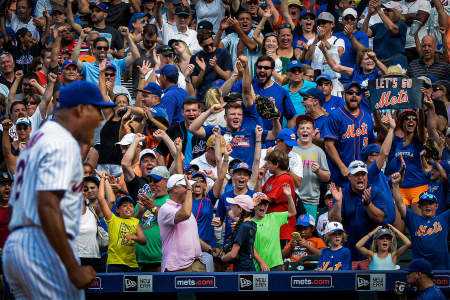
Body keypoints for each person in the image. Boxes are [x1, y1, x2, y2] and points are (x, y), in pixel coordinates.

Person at [2, 80, 114, 298]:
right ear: (81, 109)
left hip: (18, 244)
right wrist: (72, 266)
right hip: (44, 247)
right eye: (98, 110)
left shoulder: (39, 138)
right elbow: (48, 205)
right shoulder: (62, 143)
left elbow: (15, 207)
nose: (101, 119)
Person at [329, 160, 389, 270]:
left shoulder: (376, 192)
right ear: (349, 177)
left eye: (363, 174)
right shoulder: (342, 193)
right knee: (347, 286)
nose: (360, 178)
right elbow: (334, 222)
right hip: (348, 254)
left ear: (367, 176)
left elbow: (380, 218)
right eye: (356, 175)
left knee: (371, 287)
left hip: (371, 254)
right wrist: (338, 203)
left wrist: (368, 204)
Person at [392, 176, 450, 270]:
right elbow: (399, 203)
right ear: (419, 207)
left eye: (430, 203)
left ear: (436, 206)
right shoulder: (413, 219)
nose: (427, 206)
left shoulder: (444, 217)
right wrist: (395, 185)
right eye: (424, 204)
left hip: (441, 267)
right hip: (420, 270)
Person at [323, 82, 375, 186]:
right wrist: (342, 166)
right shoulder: (335, 116)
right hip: (341, 176)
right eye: (350, 92)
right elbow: (328, 145)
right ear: (344, 95)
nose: (354, 95)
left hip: (362, 175)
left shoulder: (367, 117)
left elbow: (370, 145)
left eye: (358, 93)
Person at [158, 174, 206, 272]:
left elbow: (193, 236)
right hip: (178, 267)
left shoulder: (184, 208)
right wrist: (189, 190)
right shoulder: (165, 208)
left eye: (190, 187)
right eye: (186, 187)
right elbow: (185, 214)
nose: (190, 189)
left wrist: (209, 249)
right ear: (175, 188)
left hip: (197, 263)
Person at [98, 185, 146, 272]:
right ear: (117, 209)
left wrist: (133, 237)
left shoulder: (135, 221)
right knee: (113, 286)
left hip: (132, 264)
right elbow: (101, 199)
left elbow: (143, 240)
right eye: (124, 205)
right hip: (115, 263)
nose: (128, 208)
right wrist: (102, 179)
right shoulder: (112, 219)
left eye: (131, 206)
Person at [133, 166, 170, 272]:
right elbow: (131, 225)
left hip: (162, 260)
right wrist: (140, 212)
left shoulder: (172, 200)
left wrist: (151, 208)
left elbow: (169, 222)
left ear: (167, 181)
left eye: (156, 181)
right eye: (150, 180)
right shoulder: (145, 198)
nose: (151, 184)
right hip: (139, 260)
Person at [293, 115, 330, 218]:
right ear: (297, 132)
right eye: (302, 128)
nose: (305, 130)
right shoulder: (291, 149)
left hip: (310, 200)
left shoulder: (319, 152)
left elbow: (327, 177)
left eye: (308, 128)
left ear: (313, 132)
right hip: (292, 198)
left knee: (307, 231)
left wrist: (318, 171)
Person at [252, 187, 296, 271]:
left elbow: (292, 212)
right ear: (254, 205)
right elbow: (251, 247)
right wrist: (261, 263)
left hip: (276, 265)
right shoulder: (249, 223)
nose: (263, 206)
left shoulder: (274, 217)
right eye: (259, 204)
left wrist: (289, 196)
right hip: (258, 266)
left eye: (265, 204)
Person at [219, 194, 267, 271]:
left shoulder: (243, 227)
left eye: (234, 205)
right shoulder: (251, 223)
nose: (231, 207)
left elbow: (233, 254)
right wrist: (251, 205)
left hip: (242, 270)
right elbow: (231, 213)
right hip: (248, 267)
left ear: (240, 209)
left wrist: (222, 258)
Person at [260, 149, 296, 245]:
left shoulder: (284, 178)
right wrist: (259, 179)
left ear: (276, 164)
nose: (266, 166)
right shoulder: (272, 178)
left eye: (268, 163)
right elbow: (259, 194)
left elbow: (267, 199)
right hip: (273, 227)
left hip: (283, 230)